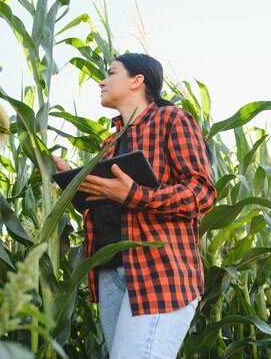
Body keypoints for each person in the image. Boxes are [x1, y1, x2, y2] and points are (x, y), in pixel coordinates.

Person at [53, 53, 217, 359]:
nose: (102, 81)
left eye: (111, 72)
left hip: (158, 271)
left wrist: (134, 195)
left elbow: (202, 193)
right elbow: (101, 207)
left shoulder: (172, 120)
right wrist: (70, 180)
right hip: (109, 272)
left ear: (137, 80)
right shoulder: (109, 144)